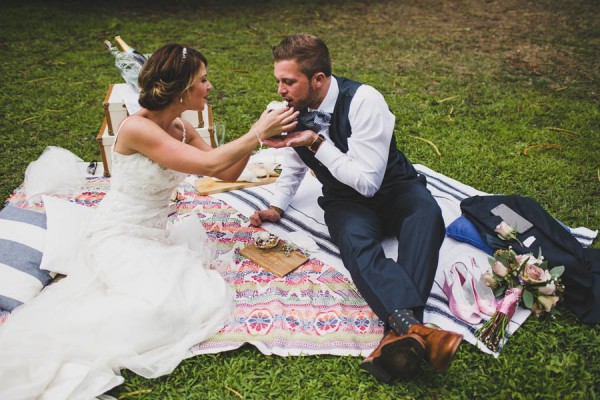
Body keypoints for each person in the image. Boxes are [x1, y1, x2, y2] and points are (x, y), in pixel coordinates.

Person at [0, 43, 297, 399]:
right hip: (118, 235)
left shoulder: (179, 126)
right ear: (184, 88)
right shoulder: (136, 129)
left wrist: (257, 139)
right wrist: (256, 133)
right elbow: (208, 166)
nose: (210, 86)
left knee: (193, 298)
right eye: (203, 80)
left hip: (155, 235)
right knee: (162, 308)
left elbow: (224, 169)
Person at [250, 33, 463, 383]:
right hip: (343, 200)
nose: (280, 90)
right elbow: (293, 161)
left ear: (318, 79)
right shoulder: (289, 111)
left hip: (395, 187)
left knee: (426, 217)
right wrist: (276, 206)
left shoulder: (365, 101)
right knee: (355, 244)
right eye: (278, 81)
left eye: (288, 82)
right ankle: (416, 332)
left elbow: (368, 183)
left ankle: (396, 335)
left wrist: (316, 142)